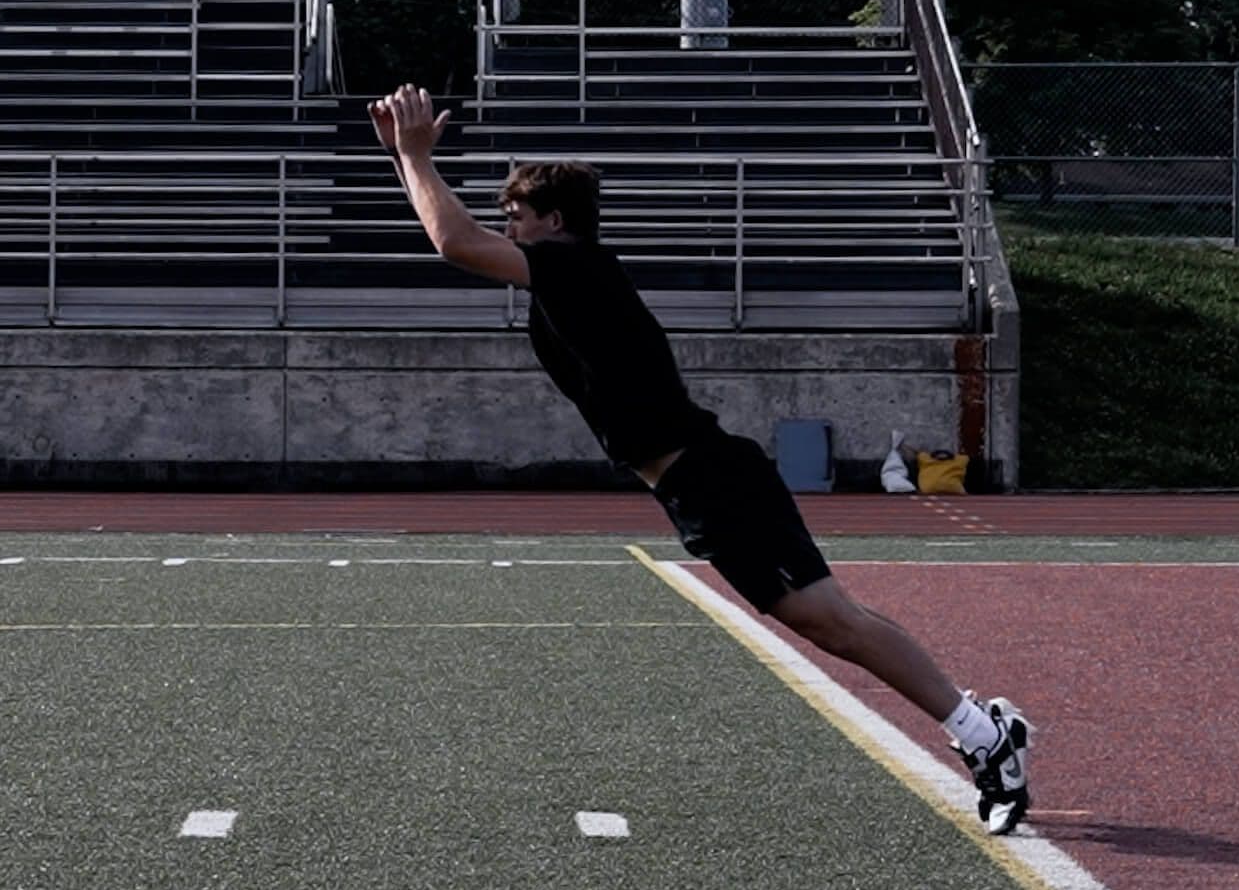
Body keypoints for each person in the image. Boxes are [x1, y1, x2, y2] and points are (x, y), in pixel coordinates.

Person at [368, 84, 1032, 834]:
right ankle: (982, 727)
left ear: (554, 224)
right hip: (696, 481)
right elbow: (454, 232)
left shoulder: (574, 265)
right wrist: (404, 158)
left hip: (714, 476)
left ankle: (983, 731)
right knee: (824, 619)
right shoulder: (568, 274)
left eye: (516, 217)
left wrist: (417, 156)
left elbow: (451, 241)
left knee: (827, 619)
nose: (505, 227)